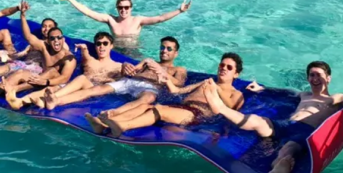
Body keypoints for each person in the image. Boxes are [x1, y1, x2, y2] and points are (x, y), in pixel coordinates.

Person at [204, 49, 343, 173]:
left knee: (289, 149)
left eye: (318, 74)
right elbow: (281, 91)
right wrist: (261, 88)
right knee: (258, 122)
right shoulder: (303, 95)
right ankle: (220, 108)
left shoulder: (335, 98)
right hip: (284, 125)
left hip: (303, 132)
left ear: (328, 78)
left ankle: (278, 169)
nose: (314, 78)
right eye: (311, 75)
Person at [99, 52, 245, 138]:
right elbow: (178, 91)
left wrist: (216, 90)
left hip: (197, 115)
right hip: (181, 108)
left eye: (229, 67)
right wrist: (164, 76)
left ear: (236, 74)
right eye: (222, 65)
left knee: (160, 110)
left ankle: (123, 126)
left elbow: (230, 109)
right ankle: (104, 123)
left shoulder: (235, 93)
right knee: (145, 105)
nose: (223, 69)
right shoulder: (206, 82)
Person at [84, 36, 188, 134]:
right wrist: (125, 66)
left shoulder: (179, 69)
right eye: (162, 47)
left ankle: (110, 115)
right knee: (98, 86)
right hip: (131, 83)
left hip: (149, 89)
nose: (164, 50)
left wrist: (161, 71)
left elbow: (179, 84)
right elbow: (132, 72)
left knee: (148, 98)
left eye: (169, 49)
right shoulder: (149, 62)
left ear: (176, 53)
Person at [58, 0, 191, 52]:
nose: (123, 10)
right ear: (117, 8)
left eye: (126, 7)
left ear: (131, 8)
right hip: (115, 51)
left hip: (133, 51)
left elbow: (160, 18)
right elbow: (88, 12)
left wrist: (179, 10)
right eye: (120, 7)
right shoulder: (111, 20)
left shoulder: (138, 20)